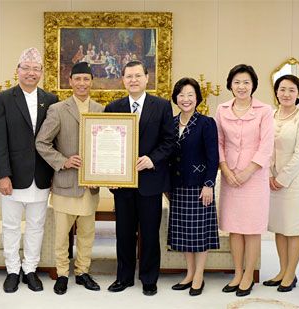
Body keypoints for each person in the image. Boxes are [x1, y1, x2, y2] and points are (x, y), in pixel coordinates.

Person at [0, 47, 59, 293]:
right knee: (10, 226)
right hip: (13, 176)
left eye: (36, 69)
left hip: (41, 176)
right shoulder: (3, 99)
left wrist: (55, 174)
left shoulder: (51, 100)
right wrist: (3, 175)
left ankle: (30, 269)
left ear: (42, 72)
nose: (31, 73)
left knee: (36, 226)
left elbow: (55, 141)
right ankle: (12, 270)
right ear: (17, 70)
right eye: (26, 68)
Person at [104, 60, 174, 296]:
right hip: (122, 184)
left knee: (150, 232)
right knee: (123, 233)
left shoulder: (162, 106)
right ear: (122, 80)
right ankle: (123, 277)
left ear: (146, 78)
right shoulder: (113, 107)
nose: (133, 80)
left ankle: (149, 278)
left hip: (150, 182)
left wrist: (152, 159)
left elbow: (169, 141)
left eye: (137, 75)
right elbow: (107, 145)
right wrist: (110, 172)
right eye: (128, 76)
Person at [36, 62, 104, 295]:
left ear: (91, 81)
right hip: (65, 183)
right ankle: (62, 273)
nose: (82, 83)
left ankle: (83, 272)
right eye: (78, 79)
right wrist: (62, 161)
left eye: (86, 79)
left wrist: (102, 174)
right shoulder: (57, 109)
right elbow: (41, 142)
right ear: (71, 82)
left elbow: (105, 149)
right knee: (61, 235)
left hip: (90, 186)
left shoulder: (100, 109)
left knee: (87, 234)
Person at [215, 64, 274, 297]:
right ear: (230, 84)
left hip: (255, 177)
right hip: (229, 174)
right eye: (237, 82)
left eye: (246, 82)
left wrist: (248, 171)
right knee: (234, 229)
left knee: (252, 229)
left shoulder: (264, 110)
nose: (241, 86)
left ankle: (249, 275)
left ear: (253, 85)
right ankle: (237, 273)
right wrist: (225, 169)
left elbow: (266, 145)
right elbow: (217, 142)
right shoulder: (221, 109)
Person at [167, 78, 219, 296]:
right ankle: (189, 273)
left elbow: (213, 156)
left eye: (190, 95)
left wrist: (209, 184)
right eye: (181, 95)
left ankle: (199, 275)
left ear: (197, 97)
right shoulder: (170, 122)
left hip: (199, 186)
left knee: (199, 233)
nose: (185, 99)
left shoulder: (206, 123)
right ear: (175, 98)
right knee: (184, 233)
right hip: (177, 186)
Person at [264, 75, 299, 292]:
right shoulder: (270, 116)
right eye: (282, 89)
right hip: (272, 179)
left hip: (294, 181)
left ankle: (291, 274)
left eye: (291, 90)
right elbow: (265, 148)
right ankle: (282, 271)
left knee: (292, 228)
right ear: (276, 92)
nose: (286, 94)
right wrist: (270, 176)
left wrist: (282, 178)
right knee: (279, 228)